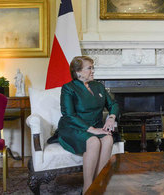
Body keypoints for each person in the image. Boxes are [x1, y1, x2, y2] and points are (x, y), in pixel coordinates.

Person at [54, 56, 119, 194]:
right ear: (78, 72)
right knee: (94, 141)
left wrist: (111, 118)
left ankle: (99, 184)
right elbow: (69, 115)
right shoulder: (68, 88)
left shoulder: (98, 86)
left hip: (95, 126)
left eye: (93, 67)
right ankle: (88, 188)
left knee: (108, 139)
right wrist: (92, 130)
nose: (93, 71)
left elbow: (113, 104)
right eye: (89, 68)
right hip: (74, 127)